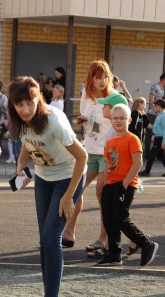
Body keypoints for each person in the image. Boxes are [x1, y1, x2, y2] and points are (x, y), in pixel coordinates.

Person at [9, 76, 87, 297]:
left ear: (38, 98)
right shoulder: (20, 120)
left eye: (30, 102)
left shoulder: (53, 121)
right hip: (43, 177)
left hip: (68, 176)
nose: (25, 109)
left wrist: (68, 196)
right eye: (19, 104)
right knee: (44, 239)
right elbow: (27, 143)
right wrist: (21, 165)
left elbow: (82, 157)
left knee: (51, 237)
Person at [62, 60, 114, 253]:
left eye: (105, 77)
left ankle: (104, 239)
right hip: (88, 150)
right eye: (98, 77)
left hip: (107, 153)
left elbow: (121, 122)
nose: (102, 81)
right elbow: (86, 118)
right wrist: (82, 120)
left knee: (101, 193)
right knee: (75, 190)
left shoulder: (113, 97)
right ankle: (69, 232)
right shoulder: (87, 94)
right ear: (91, 78)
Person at [99, 103, 159, 267]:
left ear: (129, 120)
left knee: (120, 218)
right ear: (111, 120)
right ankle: (113, 254)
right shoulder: (111, 141)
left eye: (122, 118)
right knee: (109, 219)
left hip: (125, 184)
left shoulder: (132, 139)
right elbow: (107, 164)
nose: (118, 121)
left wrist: (123, 185)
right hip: (110, 184)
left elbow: (137, 163)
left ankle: (147, 244)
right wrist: (105, 184)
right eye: (115, 118)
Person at [139, 99, 165, 176]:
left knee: (152, 155)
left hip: (160, 138)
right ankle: (147, 170)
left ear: (159, 106)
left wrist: (164, 142)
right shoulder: (160, 115)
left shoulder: (163, 116)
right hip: (158, 138)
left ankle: (147, 170)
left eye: (156, 105)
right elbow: (158, 127)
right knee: (161, 156)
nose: (154, 107)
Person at [145, 73, 165, 151]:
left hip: (160, 114)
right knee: (149, 133)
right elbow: (151, 100)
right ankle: (147, 153)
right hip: (153, 114)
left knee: (160, 133)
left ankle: (158, 153)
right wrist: (155, 110)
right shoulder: (155, 86)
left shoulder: (163, 89)